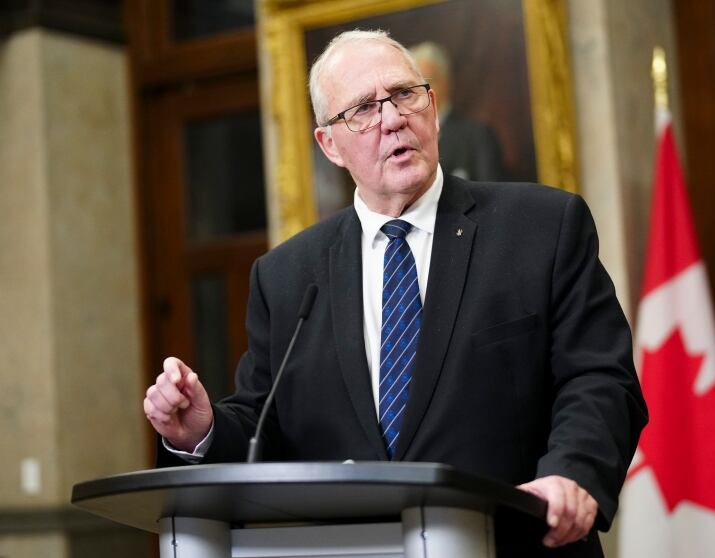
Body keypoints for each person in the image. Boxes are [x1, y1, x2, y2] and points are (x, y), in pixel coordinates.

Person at [144, 29, 647, 556]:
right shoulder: (287, 275)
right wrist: (198, 432)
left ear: (431, 105)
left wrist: (572, 476)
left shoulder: (542, 227)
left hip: (519, 542)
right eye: (362, 108)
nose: (392, 119)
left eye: (405, 94)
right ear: (329, 144)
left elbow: (599, 377)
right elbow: (263, 429)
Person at [410, 41, 508, 181]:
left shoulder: (477, 137)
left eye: (427, 81)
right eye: (413, 86)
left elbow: (494, 195)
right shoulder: (404, 139)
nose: (421, 91)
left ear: (445, 83)